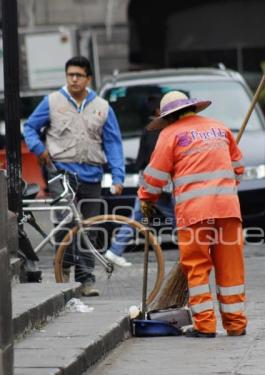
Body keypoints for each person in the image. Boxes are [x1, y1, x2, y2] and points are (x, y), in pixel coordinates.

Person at [138, 90, 248, 338]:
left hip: (195, 213)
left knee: (197, 267)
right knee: (231, 268)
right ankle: (236, 323)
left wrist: (146, 198)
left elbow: (155, 178)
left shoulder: (170, 134)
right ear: (191, 109)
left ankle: (205, 325)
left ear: (168, 117)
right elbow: (239, 170)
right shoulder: (220, 128)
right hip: (228, 210)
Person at [23, 56, 125, 296]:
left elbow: (113, 143)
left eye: (79, 75)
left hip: (92, 175)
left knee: (89, 228)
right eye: (71, 75)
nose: (74, 79)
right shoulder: (53, 101)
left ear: (88, 79)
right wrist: (39, 149)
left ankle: (86, 279)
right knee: (66, 223)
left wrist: (118, 177)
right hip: (61, 172)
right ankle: (64, 272)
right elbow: (29, 127)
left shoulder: (102, 106)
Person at [105, 95, 175, 267]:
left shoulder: (148, 129)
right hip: (161, 182)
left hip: (148, 181)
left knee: (138, 216)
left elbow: (140, 160)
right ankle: (195, 250)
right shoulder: (164, 129)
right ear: (158, 110)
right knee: (179, 218)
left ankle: (115, 250)